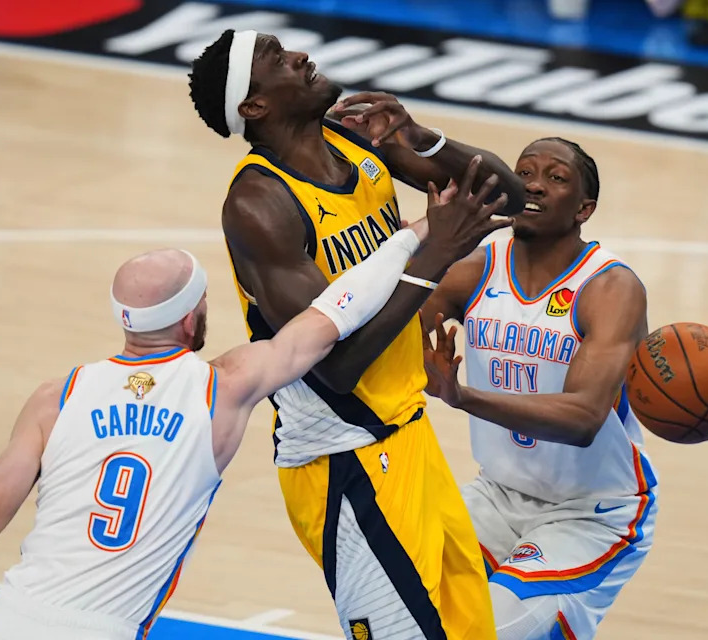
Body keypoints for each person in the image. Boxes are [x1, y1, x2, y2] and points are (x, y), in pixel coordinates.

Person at [0, 166, 500, 639]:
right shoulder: (225, 385)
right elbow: (333, 312)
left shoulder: (55, 397)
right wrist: (420, 237)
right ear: (194, 316)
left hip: (1, 622)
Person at [188, 28, 525, 640]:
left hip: (409, 434)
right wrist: (432, 256)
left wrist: (425, 139)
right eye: (276, 58)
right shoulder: (259, 202)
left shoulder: (350, 139)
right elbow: (333, 367)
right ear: (254, 106)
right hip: (344, 457)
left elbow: (508, 194)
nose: (299, 54)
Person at [420, 138, 659, 640]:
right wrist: (429, 243)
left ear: (584, 209)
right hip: (498, 494)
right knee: (396, 599)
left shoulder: (610, 288)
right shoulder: (478, 269)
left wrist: (462, 396)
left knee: (487, 631)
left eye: (556, 177)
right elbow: (389, 326)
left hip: (592, 512)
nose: (533, 183)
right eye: (525, 171)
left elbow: (582, 418)